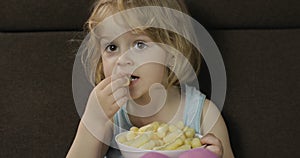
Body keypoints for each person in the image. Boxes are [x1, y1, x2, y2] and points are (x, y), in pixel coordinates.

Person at [67, 0, 234, 158]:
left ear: (172, 53)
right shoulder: (110, 115)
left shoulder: (203, 114)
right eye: (112, 47)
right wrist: (93, 119)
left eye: (139, 44)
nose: (122, 59)